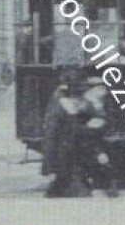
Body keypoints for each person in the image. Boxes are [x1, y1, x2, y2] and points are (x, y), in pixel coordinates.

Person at [40, 68, 96, 197]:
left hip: (73, 163)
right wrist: (50, 169)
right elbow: (51, 137)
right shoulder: (63, 107)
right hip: (65, 163)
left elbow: (50, 137)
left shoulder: (80, 106)